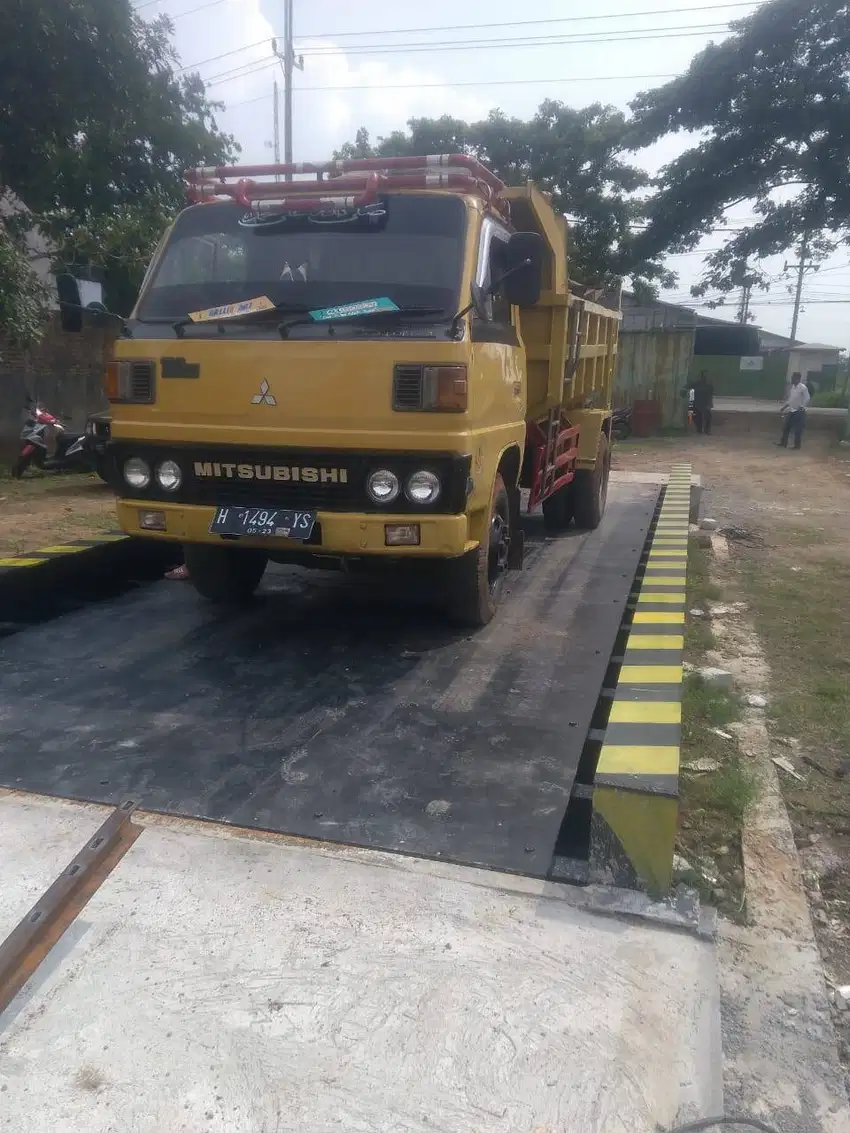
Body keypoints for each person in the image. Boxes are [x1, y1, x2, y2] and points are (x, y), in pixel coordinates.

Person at [778, 372, 811, 449]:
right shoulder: (793, 387)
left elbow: (807, 398)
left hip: (799, 412)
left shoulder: (803, 388)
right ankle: (783, 443)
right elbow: (791, 400)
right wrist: (784, 407)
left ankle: (797, 446)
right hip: (792, 410)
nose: (791, 379)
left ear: (797, 379)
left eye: (793, 378)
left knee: (798, 429)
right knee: (786, 427)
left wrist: (802, 407)